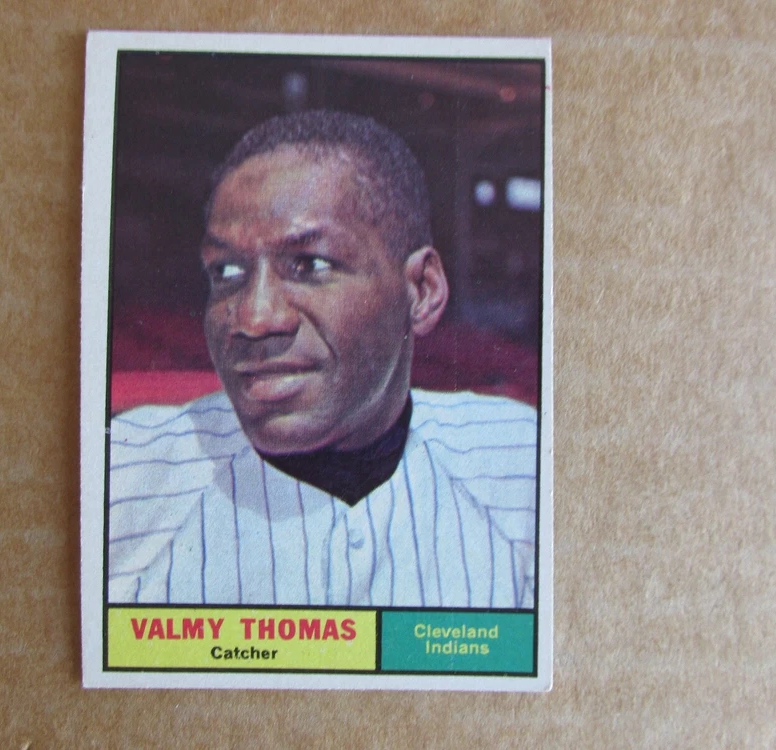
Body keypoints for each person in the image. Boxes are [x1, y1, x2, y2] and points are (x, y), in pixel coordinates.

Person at [108, 110, 538, 609]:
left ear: (421, 291)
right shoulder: (126, 478)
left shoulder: (519, 471)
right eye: (226, 271)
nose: (254, 317)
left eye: (309, 265)